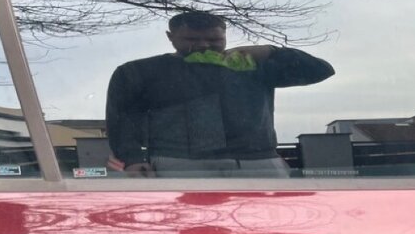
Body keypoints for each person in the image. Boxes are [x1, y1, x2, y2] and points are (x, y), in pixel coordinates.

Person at [105, 11, 334, 177]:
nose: (204, 45)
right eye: (192, 39)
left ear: (225, 36)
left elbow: (321, 70)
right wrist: (132, 159)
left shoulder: (251, 65)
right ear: (170, 36)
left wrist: (271, 51)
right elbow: (121, 119)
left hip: (258, 160)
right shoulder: (138, 71)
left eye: (214, 40)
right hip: (179, 161)